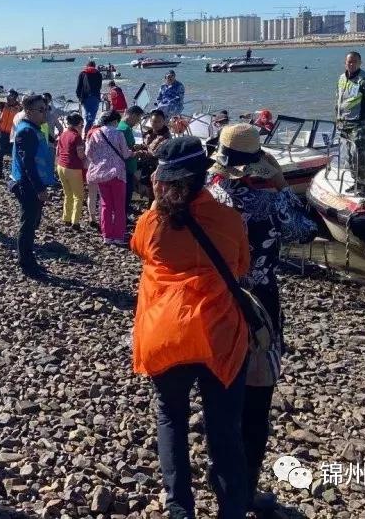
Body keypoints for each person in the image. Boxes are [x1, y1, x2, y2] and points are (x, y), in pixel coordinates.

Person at [131, 136, 251, 518]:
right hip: (219, 337)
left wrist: (156, 200)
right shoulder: (229, 220)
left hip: (164, 335)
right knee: (224, 427)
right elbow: (242, 267)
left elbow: (138, 247)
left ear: (161, 181)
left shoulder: (152, 222)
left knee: (170, 416)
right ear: (205, 177)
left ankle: (180, 507)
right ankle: (231, 507)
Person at [208, 124, 317, 510]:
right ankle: (244, 488)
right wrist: (283, 184)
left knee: (220, 393)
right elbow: (306, 230)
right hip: (259, 302)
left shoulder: (209, 192)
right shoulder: (269, 201)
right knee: (257, 398)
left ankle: (219, 472)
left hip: (215, 298)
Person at [10, 94, 55, 276]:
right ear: (28, 112)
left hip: (32, 182)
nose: (45, 113)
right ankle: (26, 263)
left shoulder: (34, 128)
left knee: (32, 222)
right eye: (41, 110)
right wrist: (40, 189)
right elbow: (27, 163)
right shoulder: (27, 131)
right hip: (27, 184)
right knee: (28, 223)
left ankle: (28, 258)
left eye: (46, 109)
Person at [334, 51, 365, 197]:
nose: (351, 64)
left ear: (360, 63)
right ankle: (357, 182)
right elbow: (339, 100)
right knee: (349, 155)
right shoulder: (342, 78)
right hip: (344, 122)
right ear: (345, 63)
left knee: (358, 154)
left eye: (354, 62)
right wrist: (337, 118)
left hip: (360, 123)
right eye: (349, 62)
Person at [86, 110, 131, 245]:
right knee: (119, 206)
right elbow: (125, 153)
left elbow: (89, 153)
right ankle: (118, 236)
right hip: (117, 173)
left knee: (105, 205)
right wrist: (132, 153)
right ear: (115, 121)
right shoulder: (118, 134)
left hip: (101, 174)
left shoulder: (95, 133)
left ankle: (106, 235)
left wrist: (100, 160)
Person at [55, 112, 86, 228]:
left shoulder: (63, 133)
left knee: (68, 194)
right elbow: (80, 155)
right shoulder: (76, 136)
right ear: (77, 125)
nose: (82, 128)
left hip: (61, 166)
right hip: (73, 168)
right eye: (81, 126)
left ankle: (66, 218)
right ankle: (75, 221)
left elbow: (58, 150)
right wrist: (86, 157)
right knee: (78, 196)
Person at [118, 106, 144, 220]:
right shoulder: (126, 129)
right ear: (133, 115)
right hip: (127, 166)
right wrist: (139, 152)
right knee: (127, 193)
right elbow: (127, 150)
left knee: (125, 192)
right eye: (138, 119)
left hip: (123, 166)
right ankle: (124, 216)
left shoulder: (120, 125)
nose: (138, 122)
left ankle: (124, 212)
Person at [75, 60, 103, 134]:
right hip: (95, 97)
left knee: (88, 115)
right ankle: (88, 133)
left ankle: (87, 133)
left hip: (85, 97)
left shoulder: (82, 73)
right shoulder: (98, 73)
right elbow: (99, 86)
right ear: (94, 66)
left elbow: (78, 87)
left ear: (87, 66)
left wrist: (79, 97)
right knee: (91, 116)